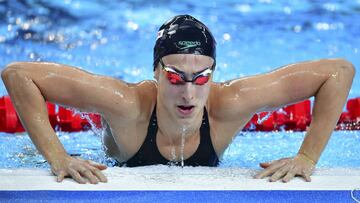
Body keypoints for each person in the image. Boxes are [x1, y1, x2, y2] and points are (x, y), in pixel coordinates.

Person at [1, 15, 355, 184]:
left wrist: (307, 156)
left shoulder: (230, 103)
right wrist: (57, 155)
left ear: (214, 74)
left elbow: (338, 71)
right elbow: (18, 74)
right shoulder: (125, 103)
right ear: (156, 72)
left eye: (201, 78)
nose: (188, 92)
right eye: (174, 77)